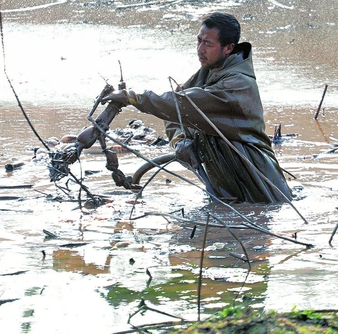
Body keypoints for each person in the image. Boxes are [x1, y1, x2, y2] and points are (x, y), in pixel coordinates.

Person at [104, 12, 292, 203]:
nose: (200, 49)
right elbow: (173, 115)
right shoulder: (206, 73)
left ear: (228, 48)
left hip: (259, 186)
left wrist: (133, 98)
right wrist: (181, 141)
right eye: (199, 41)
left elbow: (182, 104)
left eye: (208, 43)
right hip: (226, 187)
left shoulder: (238, 83)